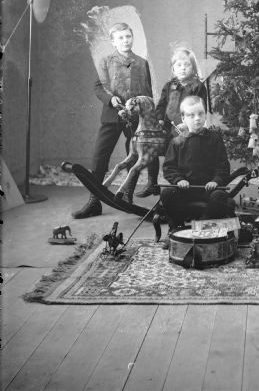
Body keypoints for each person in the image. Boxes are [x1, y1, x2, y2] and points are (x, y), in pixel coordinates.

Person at [72, 22, 159, 218]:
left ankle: (127, 195)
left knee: (133, 155)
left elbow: (147, 92)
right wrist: (111, 99)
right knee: (100, 156)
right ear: (113, 41)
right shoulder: (105, 61)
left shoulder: (141, 62)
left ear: (132, 38)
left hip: (135, 118)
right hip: (112, 116)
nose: (125, 40)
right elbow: (99, 87)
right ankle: (94, 201)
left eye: (128, 36)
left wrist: (144, 113)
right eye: (120, 37)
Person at [158, 95, 235, 249]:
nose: (197, 119)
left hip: (209, 190)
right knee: (167, 193)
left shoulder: (214, 138)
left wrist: (216, 181)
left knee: (221, 197)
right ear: (183, 117)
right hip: (186, 190)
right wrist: (178, 180)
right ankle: (177, 229)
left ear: (205, 114)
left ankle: (200, 226)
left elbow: (223, 166)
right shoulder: (177, 141)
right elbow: (169, 167)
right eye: (191, 115)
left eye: (200, 114)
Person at [135, 46, 207, 199]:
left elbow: (200, 109)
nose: (182, 69)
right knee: (152, 146)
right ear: (173, 68)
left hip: (186, 131)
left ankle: (180, 184)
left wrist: (187, 124)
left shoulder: (197, 87)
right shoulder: (169, 85)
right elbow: (161, 105)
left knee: (179, 155)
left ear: (193, 68)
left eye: (186, 65)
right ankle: (152, 184)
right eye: (178, 65)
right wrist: (159, 119)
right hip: (167, 129)